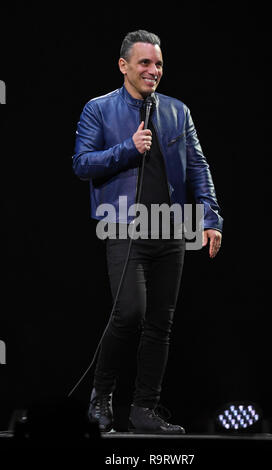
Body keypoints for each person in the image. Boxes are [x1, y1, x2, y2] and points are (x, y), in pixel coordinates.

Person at [72, 30, 223, 434]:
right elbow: (82, 164)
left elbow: (198, 167)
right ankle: (100, 397)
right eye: (144, 63)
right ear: (124, 66)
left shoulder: (177, 110)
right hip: (122, 224)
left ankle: (145, 409)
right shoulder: (99, 109)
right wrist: (127, 147)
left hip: (171, 227)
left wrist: (210, 219)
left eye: (157, 63)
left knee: (161, 322)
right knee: (129, 313)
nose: (153, 70)